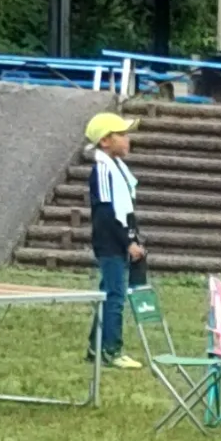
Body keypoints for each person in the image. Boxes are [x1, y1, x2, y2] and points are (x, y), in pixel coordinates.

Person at [84, 108, 142, 360]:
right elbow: (107, 213)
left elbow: (125, 209)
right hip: (110, 244)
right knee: (115, 296)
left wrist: (134, 236)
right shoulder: (104, 170)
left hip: (120, 240)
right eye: (122, 134)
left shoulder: (118, 168)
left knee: (108, 292)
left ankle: (95, 348)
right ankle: (111, 350)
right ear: (105, 141)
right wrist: (127, 241)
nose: (128, 139)